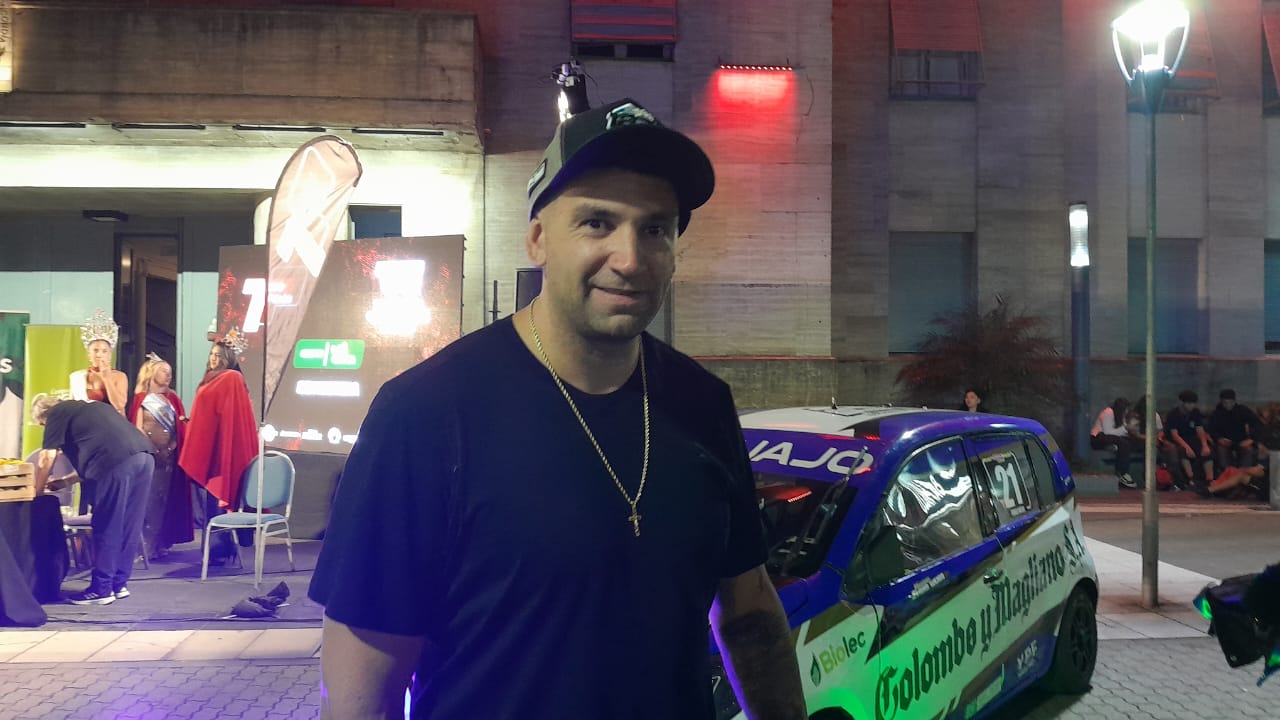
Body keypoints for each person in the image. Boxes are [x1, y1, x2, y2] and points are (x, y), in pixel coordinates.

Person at [309, 98, 806, 720]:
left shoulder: (702, 403)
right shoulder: (425, 415)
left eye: (655, 229)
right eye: (597, 222)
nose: (630, 259)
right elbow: (360, 691)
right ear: (539, 239)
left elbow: (749, 610)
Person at [30, 394, 154, 605]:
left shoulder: (57, 413)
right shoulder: (90, 409)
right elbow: (101, 453)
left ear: (45, 415)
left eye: (42, 425)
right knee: (128, 525)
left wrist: (37, 491)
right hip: (143, 457)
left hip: (117, 463)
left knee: (108, 524)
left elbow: (47, 456)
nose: (46, 429)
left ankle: (101, 589)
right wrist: (64, 481)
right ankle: (118, 584)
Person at [177, 333, 258, 566]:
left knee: (217, 502)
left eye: (219, 355)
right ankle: (216, 551)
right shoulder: (210, 379)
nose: (213, 358)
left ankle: (219, 551)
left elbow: (230, 417)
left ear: (228, 358)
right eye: (212, 354)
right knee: (210, 505)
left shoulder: (231, 377)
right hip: (210, 449)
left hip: (223, 452)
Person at [126, 353, 192, 560]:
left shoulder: (173, 399)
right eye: (164, 371)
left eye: (170, 372)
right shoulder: (141, 399)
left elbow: (179, 427)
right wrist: (153, 449)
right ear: (151, 372)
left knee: (165, 500)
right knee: (149, 500)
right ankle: (145, 546)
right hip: (149, 456)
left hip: (170, 457)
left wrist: (171, 447)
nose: (168, 375)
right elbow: (137, 427)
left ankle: (161, 542)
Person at [69, 308, 129, 416]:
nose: (99, 355)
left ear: (110, 355)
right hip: (86, 422)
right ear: (89, 354)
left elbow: (119, 405)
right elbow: (73, 406)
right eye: (95, 350)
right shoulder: (77, 377)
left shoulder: (119, 376)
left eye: (104, 351)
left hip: (111, 422)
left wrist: (107, 378)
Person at [1165, 389, 1214, 490]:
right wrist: (1187, 447)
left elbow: (1200, 429)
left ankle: (1210, 479)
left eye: (1193, 403)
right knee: (1182, 451)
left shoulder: (1195, 412)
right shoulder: (1173, 414)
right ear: (1182, 403)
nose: (1191, 406)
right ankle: (1190, 478)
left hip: (1192, 438)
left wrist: (1205, 445)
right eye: (1189, 403)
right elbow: (1174, 435)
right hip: (1178, 440)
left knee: (1206, 450)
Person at [1207, 389, 1263, 475]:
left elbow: (1257, 424)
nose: (1228, 405)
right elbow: (1211, 429)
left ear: (1234, 401)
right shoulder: (1216, 413)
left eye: (1230, 402)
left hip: (1241, 440)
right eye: (1225, 402)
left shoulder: (1242, 410)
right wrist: (1219, 439)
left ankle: (1243, 474)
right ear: (1221, 402)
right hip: (1224, 441)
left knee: (1248, 451)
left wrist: (1251, 439)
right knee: (1222, 451)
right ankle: (1226, 473)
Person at [1091, 397, 1138, 488]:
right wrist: (1125, 428)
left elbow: (1119, 431)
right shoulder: (1108, 413)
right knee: (1123, 443)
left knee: (1128, 442)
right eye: (1126, 409)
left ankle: (1122, 470)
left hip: (1111, 438)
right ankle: (1122, 472)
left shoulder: (1120, 416)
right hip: (1098, 437)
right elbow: (1108, 432)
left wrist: (1129, 430)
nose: (1127, 411)